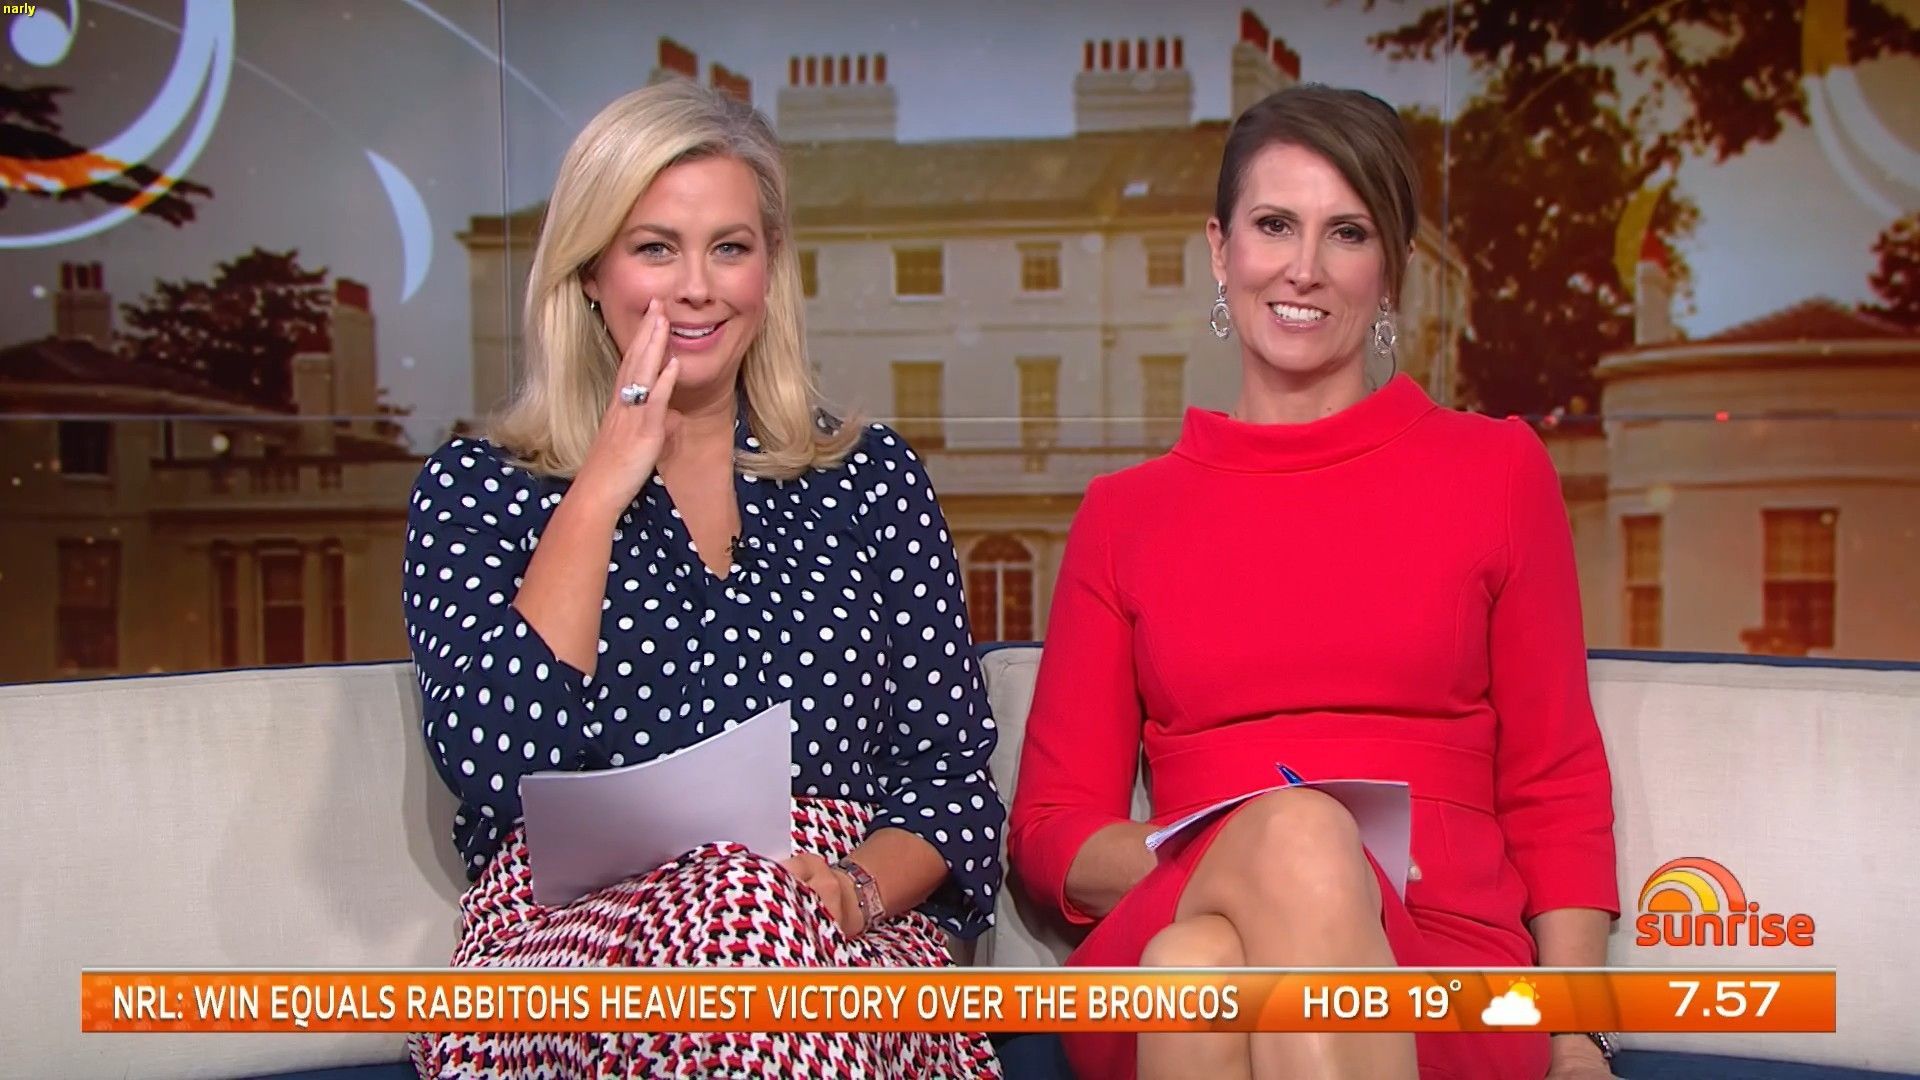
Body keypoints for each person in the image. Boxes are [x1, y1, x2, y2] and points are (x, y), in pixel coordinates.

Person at [1007, 84, 1619, 1080]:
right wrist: (1251, 846)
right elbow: (1049, 834)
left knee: (1197, 966)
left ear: (1392, 269)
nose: (1304, 268)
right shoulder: (1125, 515)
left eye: (1347, 232)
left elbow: (1554, 782)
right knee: (1279, 855)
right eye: (1274, 225)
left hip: (1442, 962)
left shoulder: (1498, 472)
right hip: (1177, 908)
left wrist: (1579, 1034)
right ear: (1220, 251)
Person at [401, 80, 1003, 1079]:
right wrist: (601, 484)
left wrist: (851, 891)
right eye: (655, 249)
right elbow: (499, 763)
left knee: (749, 917)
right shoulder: (484, 492)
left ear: (769, 271)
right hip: (572, 941)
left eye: (729, 248)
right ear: (589, 274)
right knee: (731, 908)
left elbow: (949, 781)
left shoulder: (870, 480)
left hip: (837, 932)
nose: (697, 288)